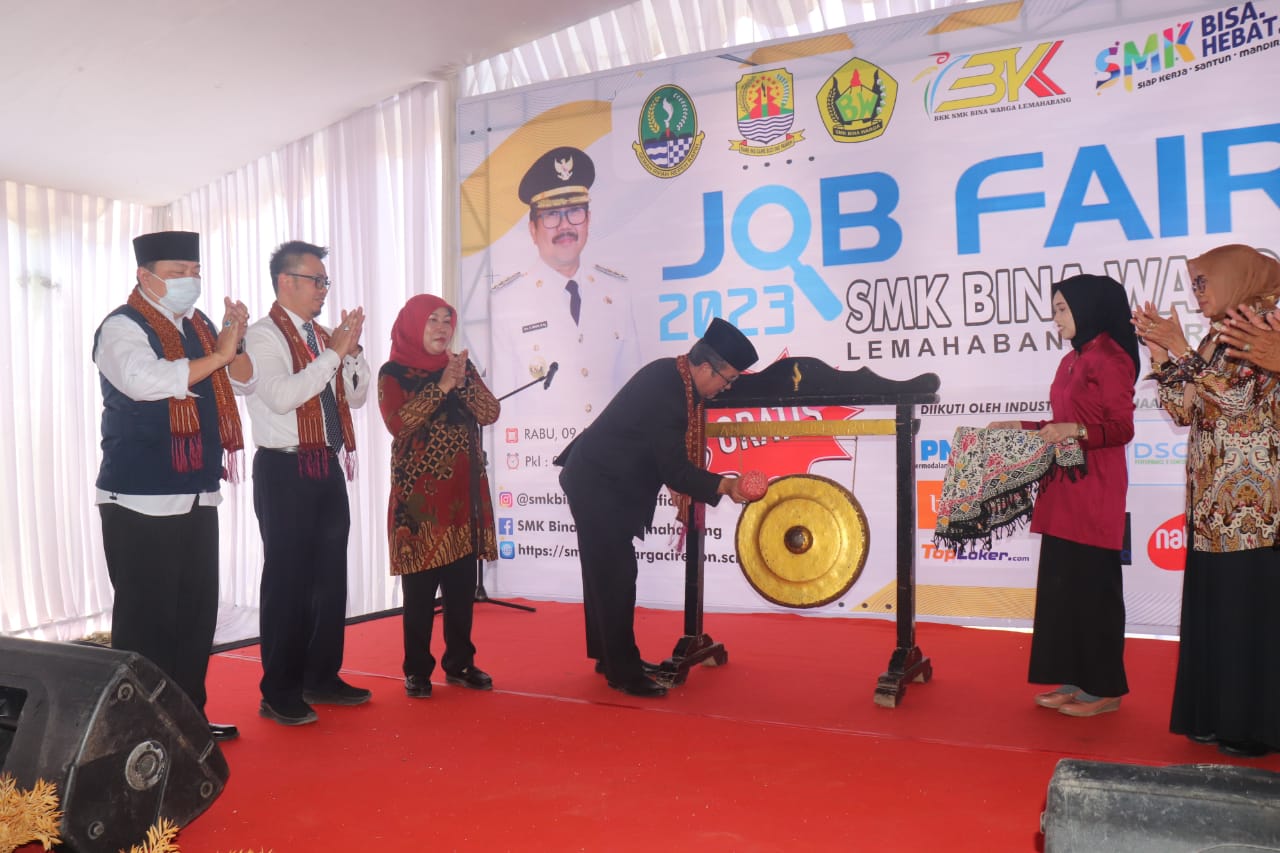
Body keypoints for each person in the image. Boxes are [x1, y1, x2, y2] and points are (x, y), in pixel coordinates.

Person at [93, 230, 253, 743]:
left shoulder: (202, 328)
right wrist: (220, 355)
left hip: (198, 492)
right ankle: (136, 734)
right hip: (140, 498)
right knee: (148, 624)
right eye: (178, 272)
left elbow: (244, 381)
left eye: (195, 271)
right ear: (145, 276)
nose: (191, 280)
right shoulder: (121, 327)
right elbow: (145, 381)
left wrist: (233, 339)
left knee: (194, 618)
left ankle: (188, 724)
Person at [555, 318, 760, 697]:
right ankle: (623, 672)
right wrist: (727, 486)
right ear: (705, 367)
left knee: (603, 574)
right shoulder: (669, 394)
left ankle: (608, 656)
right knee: (616, 578)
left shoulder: (673, 375)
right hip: (598, 484)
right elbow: (675, 471)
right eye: (728, 379)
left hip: (602, 479)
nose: (727, 388)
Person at [1134, 243, 1280, 758]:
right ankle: (1214, 716)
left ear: (1238, 278)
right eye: (1193, 283)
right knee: (1216, 616)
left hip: (1252, 509)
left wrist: (1183, 350)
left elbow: (1239, 401)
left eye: (1203, 282)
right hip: (1211, 507)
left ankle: (1253, 727)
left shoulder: (1265, 328)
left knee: (1245, 618)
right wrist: (1161, 354)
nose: (1196, 293)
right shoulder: (1217, 336)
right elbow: (1184, 410)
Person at [990, 275, 1138, 717]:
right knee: (1065, 591)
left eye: (1061, 309)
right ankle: (1074, 679)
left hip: (1095, 491)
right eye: (1055, 309)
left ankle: (1105, 689)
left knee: (1094, 590)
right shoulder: (1070, 360)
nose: (1054, 318)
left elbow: (1121, 428)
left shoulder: (1111, 359)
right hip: (1062, 487)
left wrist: (1075, 430)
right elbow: (1061, 424)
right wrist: (1022, 427)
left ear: (1087, 307)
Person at [242, 240, 372, 726]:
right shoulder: (262, 336)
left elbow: (355, 398)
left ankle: (322, 676)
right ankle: (279, 690)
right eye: (316, 280)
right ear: (286, 281)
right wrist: (333, 355)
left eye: (325, 281)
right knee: (288, 582)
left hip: (326, 463)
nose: (323, 290)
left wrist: (350, 354)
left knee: (329, 580)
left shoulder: (322, 336)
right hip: (284, 469)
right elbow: (282, 396)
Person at [378, 295, 499, 698]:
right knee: (419, 597)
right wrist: (441, 386)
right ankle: (416, 670)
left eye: (447, 320)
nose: (442, 328)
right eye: (433, 320)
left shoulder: (460, 367)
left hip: (463, 500)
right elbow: (399, 423)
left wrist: (463, 383)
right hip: (419, 508)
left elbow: (490, 413)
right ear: (414, 325)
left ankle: (460, 663)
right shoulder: (393, 373)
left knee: (461, 593)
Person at [489, 145, 640, 422]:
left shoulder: (617, 291)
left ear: (588, 220)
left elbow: (632, 394)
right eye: (551, 215)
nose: (565, 226)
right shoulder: (506, 303)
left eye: (574, 212)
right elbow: (503, 408)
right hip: (542, 449)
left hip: (609, 449)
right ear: (533, 229)